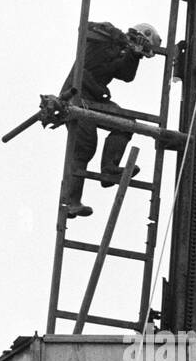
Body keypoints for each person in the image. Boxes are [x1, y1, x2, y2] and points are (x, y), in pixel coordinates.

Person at [59, 21, 161, 218]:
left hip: (94, 99)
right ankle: (71, 202)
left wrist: (134, 55)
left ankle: (109, 170)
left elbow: (126, 75)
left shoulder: (123, 52)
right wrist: (117, 35)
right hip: (76, 95)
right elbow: (86, 27)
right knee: (85, 145)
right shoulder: (105, 37)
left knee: (125, 123)